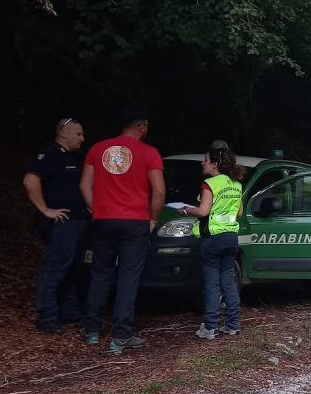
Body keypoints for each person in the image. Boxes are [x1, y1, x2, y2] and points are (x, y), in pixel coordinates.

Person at [80, 109, 165, 353]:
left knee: (100, 273)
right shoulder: (149, 153)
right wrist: (153, 218)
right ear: (141, 125)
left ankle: (92, 331)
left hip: (104, 219)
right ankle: (121, 336)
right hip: (134, 221)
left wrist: (94, 208)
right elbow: (158, 191)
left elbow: (85, 184)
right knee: (129, 276)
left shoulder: (98, 149)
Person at [23, 117, 89, 334]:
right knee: (55, 268)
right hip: (63, 223)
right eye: (78, 134)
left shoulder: (77, 158)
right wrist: (45, 210)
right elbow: (30, 181)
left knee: (73, 269)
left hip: (80, 221)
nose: (82, 139)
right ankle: (47, 316)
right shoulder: (49, 155)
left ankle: (68, 311)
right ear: (64, 132)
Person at [180, 144, 244, 340]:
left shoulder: (210, 184)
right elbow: (239, 212)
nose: (203, 163)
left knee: (211, 284)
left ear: (215, 164)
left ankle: (210, 327)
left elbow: (202, 212)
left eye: (206, 160)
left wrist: (184, 209)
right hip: (231, 238)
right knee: (228, 283)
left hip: (212, 239)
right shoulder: (236, 184)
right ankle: (233, 325)